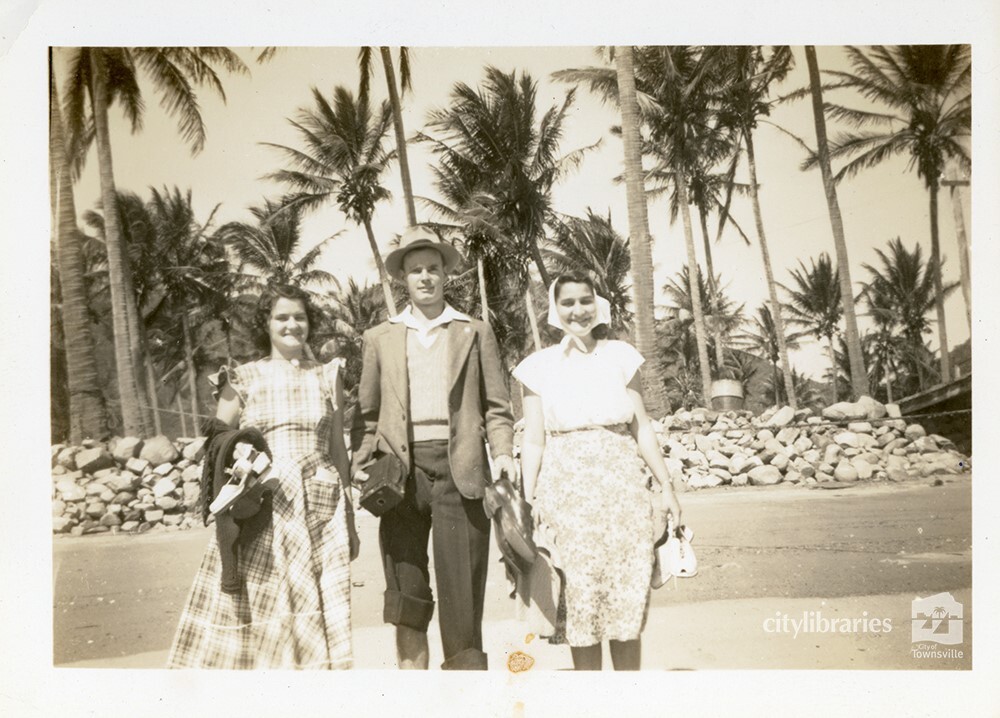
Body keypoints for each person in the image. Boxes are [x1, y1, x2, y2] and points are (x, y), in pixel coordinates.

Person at [168, 284, 359, 670]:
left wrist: (350, 517)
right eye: (281, 317)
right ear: (266, 324)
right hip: (262, 505)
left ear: (310, 322)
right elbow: (217, 442)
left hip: (320, 507)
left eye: (300, 317)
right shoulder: (243, 378)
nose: (292, 325)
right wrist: (243, 462)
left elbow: (338, 448)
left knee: (319, 601)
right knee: (263, 599)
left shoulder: (328, 375)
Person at [352, 225, 515, 670]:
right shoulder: (380, 337)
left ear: (446, 274)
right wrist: (358, 466)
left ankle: (465, 694)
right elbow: (367, 415)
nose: (425, 277)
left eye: (432, 269)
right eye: (415, 270)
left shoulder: (474, 331)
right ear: (402, 278)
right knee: (407, 592)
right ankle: (414, 692)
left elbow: (498, 406)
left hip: (461, 472)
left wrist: (502, 452)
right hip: (398, 477)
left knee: (463, 597)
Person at [512, 273, 682, 671]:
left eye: (585, 300)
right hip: (566, 491)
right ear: (555, 309)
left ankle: (626, 694)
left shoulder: (622, 356)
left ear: (597, 303)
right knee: (580, 597)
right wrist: (528, 499)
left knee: (627, 595)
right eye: (568, 302)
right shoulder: (537, 367)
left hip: (623, 487)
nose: (578, 310)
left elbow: (642, 428)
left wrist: (666, 487)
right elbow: (534, 440)